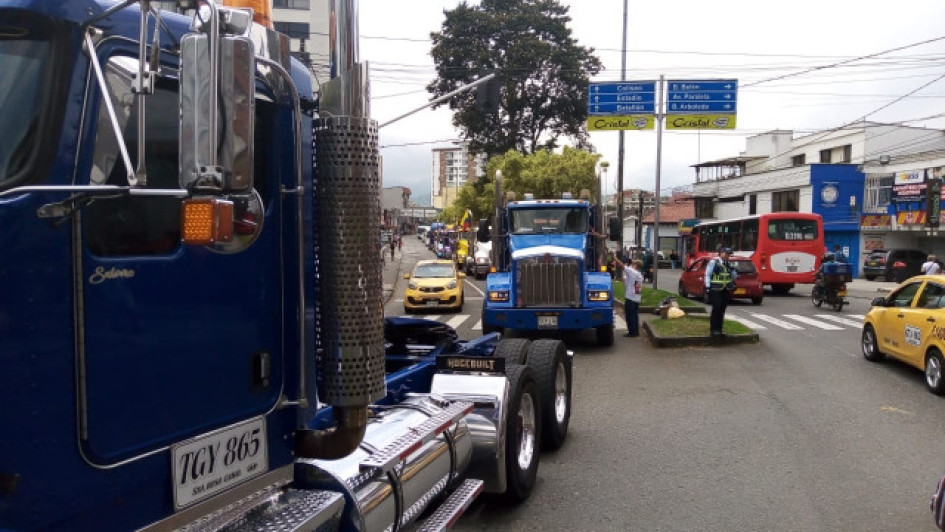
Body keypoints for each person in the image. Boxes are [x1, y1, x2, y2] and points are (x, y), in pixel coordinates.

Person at [705, 247, 737, 338]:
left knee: (722, 310)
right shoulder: (713, 262)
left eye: (729, 254)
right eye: (727, 254)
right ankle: (713, 330)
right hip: (716, 289)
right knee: (716, 309)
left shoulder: (728, 264)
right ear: (721, 253)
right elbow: (708, 274)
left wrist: (733, 271)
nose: (728, 256)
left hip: (725, 289)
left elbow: (733, 277)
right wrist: (707, 286)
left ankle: (719, 330)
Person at [614, 255, 644, 337]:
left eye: (633, 264)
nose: (631, 265)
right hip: (636, 297)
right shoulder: (639, 275)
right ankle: (635, 331)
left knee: (629, 315)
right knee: (634, 315)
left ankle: (632, 332)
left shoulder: (632, 272)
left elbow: (621, 265)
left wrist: (615, 257)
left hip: (630, 297)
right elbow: (628, 284)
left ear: (636, 266)